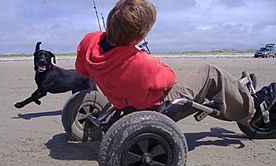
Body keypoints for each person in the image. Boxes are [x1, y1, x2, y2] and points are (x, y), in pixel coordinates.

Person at [75, 0, 276, 125]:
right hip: (156, 107)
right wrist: (140, 55)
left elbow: (81, 70)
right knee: (211, 74)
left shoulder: (90, 41)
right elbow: (169, 79)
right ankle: (253, 108)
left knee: (207, 82)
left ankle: (237, 97)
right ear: (138, 37)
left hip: (121, 100)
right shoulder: (141, 63)